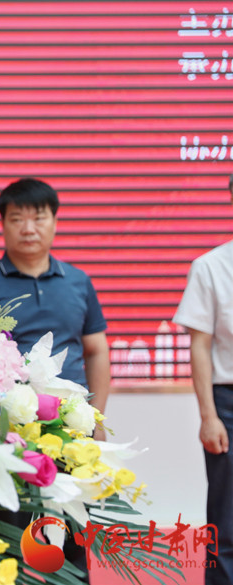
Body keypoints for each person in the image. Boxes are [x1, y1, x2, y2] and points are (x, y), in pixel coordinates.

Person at [0, 177, 111, 583]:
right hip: (7, 431)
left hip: (71, 427)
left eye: (38, 217)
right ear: (3, 224)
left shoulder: (78, 282)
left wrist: (96, 418)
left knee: (74, 535)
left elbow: (96, 351)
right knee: (9, 537)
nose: (28, 228)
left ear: (54, 222)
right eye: (17, 218)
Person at [173, 173, 233, 585]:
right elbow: (200, 345)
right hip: (228, 403)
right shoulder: (211, 266)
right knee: (227, 518)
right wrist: (209, 416)